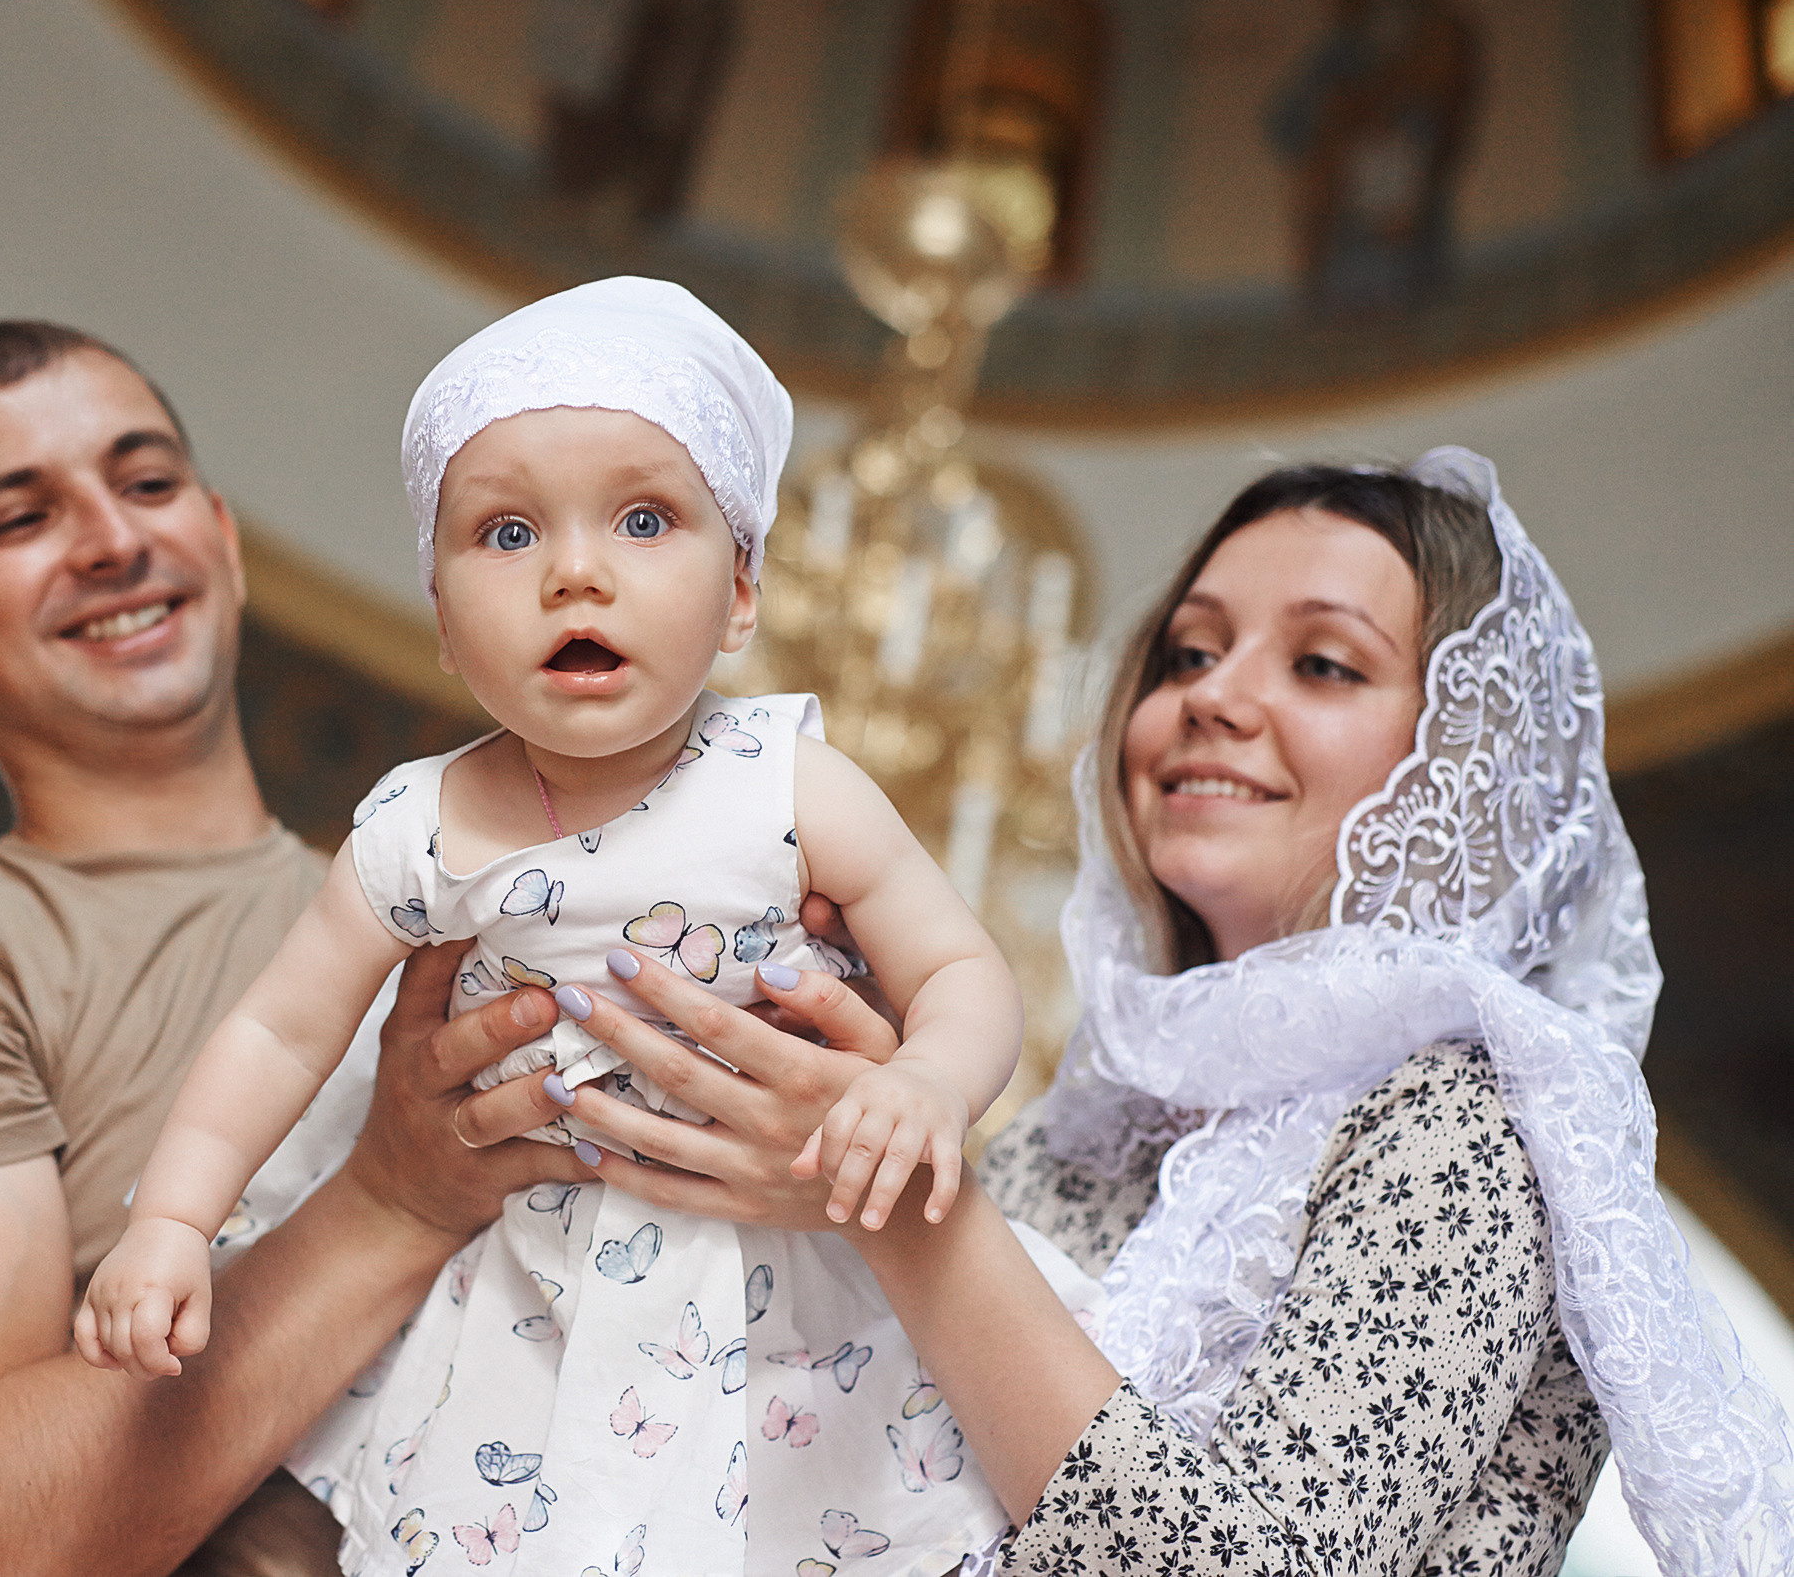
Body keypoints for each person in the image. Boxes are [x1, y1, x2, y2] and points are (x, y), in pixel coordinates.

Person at [546, 449, 1794, 1573]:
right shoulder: (1073, 1138)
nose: (1211, 695)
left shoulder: (1484, 1121)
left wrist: (915, 1221)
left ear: (1468, 761)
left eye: (1322, 662)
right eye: (1188, 652)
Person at [76, 278, 1101, 1577]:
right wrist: (171, 1220)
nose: (574, 569)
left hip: (778, 1291)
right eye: (506, 532)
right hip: (532, 1301)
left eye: (642, 518)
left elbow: (962, 968)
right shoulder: (420, 829)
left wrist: (924, 1084)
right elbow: (280, 1031)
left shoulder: (786, 784)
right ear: (445, 622)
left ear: (740, 596)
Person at [0, 320, 593, 1577]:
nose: (112, 540)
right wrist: (394, 1197)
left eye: (145, 483)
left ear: (222, 539)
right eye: (15, 518)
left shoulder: (464, 918)